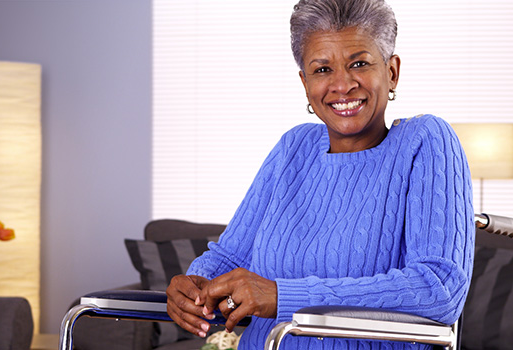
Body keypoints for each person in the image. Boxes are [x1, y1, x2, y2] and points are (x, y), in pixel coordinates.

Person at [166, 0, 475, 349]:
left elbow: (440, 287)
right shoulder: (294, 147)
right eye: (322, 69)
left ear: (392, 71)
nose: (342, 85)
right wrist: (195, 284)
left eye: (359, 63)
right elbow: (230, 258)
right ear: (305, 82)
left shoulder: (425, 141)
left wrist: (283, 295)